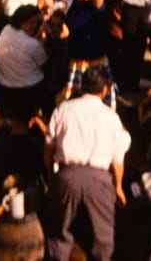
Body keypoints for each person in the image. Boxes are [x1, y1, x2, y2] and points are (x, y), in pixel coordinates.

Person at [42, 64, 130, 261]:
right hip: (99, 181)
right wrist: (118, 187)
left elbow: (48, 149)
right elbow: (118, 160)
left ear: (81, 86)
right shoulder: (111, 117)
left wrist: (51, 176)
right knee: (102, 238)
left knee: (59, 233)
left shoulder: (63, 109)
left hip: (67, 177)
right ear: (105, 89)